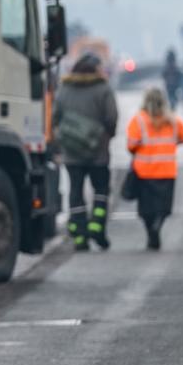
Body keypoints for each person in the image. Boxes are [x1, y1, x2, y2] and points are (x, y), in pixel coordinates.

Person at [52, 52, 119, 251]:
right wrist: (107, 136)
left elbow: (56, 117)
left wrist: (62, 140)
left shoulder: (65, 88)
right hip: (98, 151)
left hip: (72, 152)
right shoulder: (103, 89)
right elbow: (111, 117)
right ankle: (97, 229)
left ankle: (79, 237)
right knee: (101, 191)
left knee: (75, 192)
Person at [126, 86, 183, 249]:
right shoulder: (173, 121)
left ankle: (151, 232)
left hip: (144, 172)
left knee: (146, 208)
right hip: (167, 171)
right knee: (163, 207)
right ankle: (158, 225)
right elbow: (182, 138)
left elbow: (131, 145)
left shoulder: (138, 120)